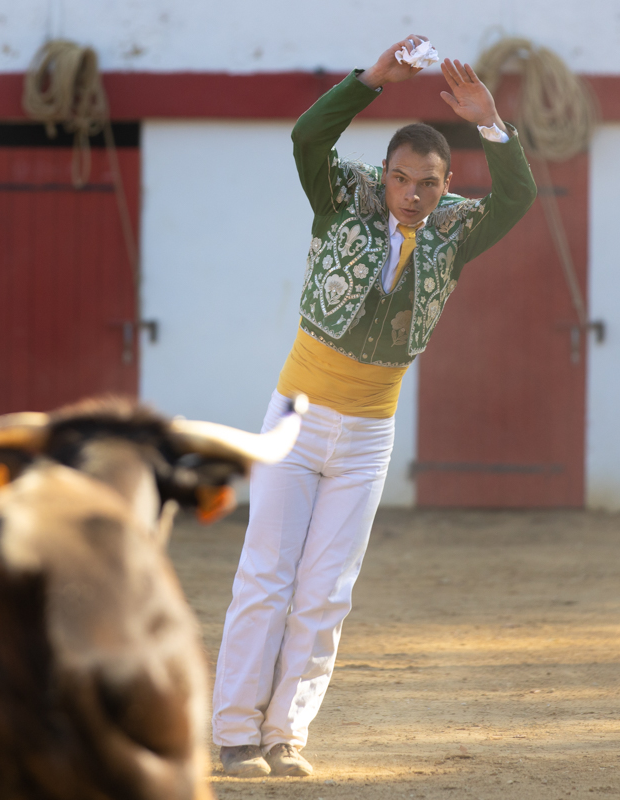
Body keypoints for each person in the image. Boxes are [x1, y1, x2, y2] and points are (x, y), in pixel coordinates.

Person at [211, 35, 536, 776]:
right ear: (383, 174)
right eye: (401, 178)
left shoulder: (454, 230)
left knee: (325, 591)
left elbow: (517, 197)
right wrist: (370, 81)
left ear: (447, 185)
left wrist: (492, 124)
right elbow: (307, 137)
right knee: (266, 575)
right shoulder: (343, 197)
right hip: (295, 420)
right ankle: (234, 732)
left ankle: (284, 735)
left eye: (428, 183)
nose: (412, 194)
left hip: (366, 437)